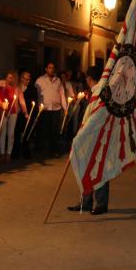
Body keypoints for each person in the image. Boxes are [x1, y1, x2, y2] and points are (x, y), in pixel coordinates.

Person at [67, 66, 110, 215]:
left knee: (98, 169)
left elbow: (97, 116)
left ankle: (101, 203)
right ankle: (86, 201)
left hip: (98, 136)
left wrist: (82, 133)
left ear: (89, 79)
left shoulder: (101, 93)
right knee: (85, 167)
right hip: (89, 136)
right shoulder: (97, 91)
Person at [35, 62, 67, 158]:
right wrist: (37, 108)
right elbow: (36, 95)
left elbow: (62, 95)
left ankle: (53, 150)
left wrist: (65, 108)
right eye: (49, 68)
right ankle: (42, 151)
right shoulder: (40, 80)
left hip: (56, 109)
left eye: (53, 68)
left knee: (55, 131)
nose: (51, 70)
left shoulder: (58, 81)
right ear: (46, 69)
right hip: (44, 109)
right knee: (44, 131)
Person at [13, 70, 37, 159]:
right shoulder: (17, 87)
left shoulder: (32, 89)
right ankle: (15, 152)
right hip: (18, 114)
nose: (27, 81)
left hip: (28, 114)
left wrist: (32, 114)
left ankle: (25, 151)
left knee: (27, 133)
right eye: (25, 79)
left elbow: (34, 101)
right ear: (21, 78)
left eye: (29, 79)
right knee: (17, 133)